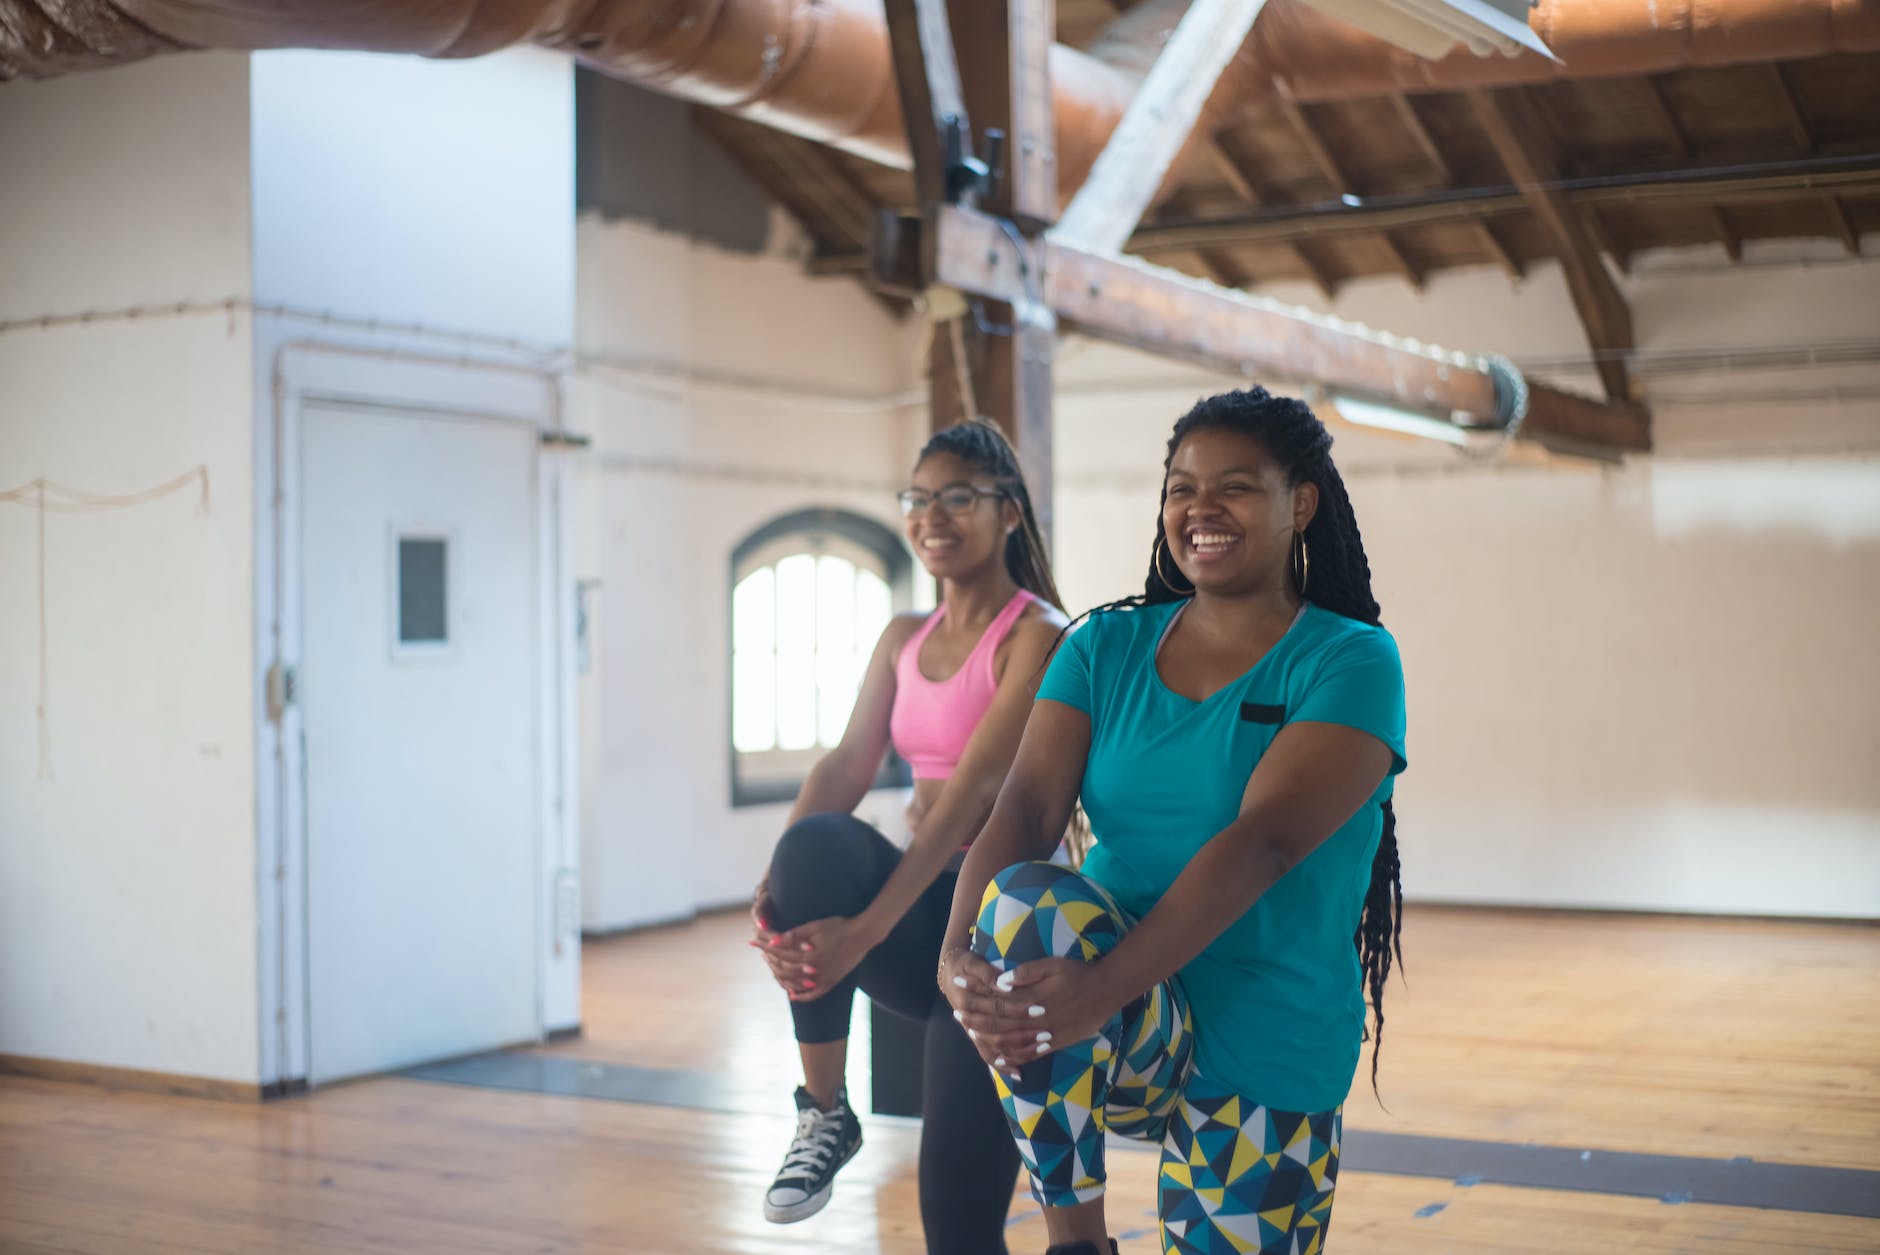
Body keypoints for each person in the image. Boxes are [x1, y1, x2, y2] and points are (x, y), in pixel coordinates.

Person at [938, 388, 1407, 1255]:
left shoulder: (1351, 659)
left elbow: (1262, 846)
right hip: (1125, 1024)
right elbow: (1029, 807)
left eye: (1234, 486)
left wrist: (1100, 984)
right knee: (1025, 907)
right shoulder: (1102, 647)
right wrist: (953, 950)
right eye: (1181, 486)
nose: (1201, 509)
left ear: (1299, 503)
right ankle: (1076, 1242)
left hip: (1264, 1036)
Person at [752, 419, 1070, 1252]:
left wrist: (865, 929)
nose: (933, 514)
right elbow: (846, 765)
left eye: (958, 496)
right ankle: (823, 1111)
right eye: (919, 498)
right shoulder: (903, 637)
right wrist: (775, 890)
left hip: (999, 941)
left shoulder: (1038, 635)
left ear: (1009, 512)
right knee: (815, 843)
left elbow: (972, 797)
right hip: (926, 916)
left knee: (956, 1228)